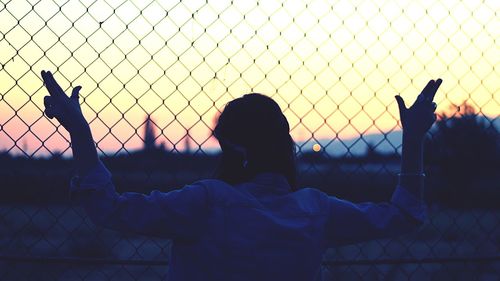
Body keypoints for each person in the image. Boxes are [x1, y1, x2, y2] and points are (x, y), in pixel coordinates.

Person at [41, 70, 441, 281]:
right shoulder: (316, 210)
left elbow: (108, 209)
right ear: (284, 144)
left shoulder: (205, 203)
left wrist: (78, 129)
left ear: (236, 150)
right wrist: (414, 137)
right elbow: (405, 214)